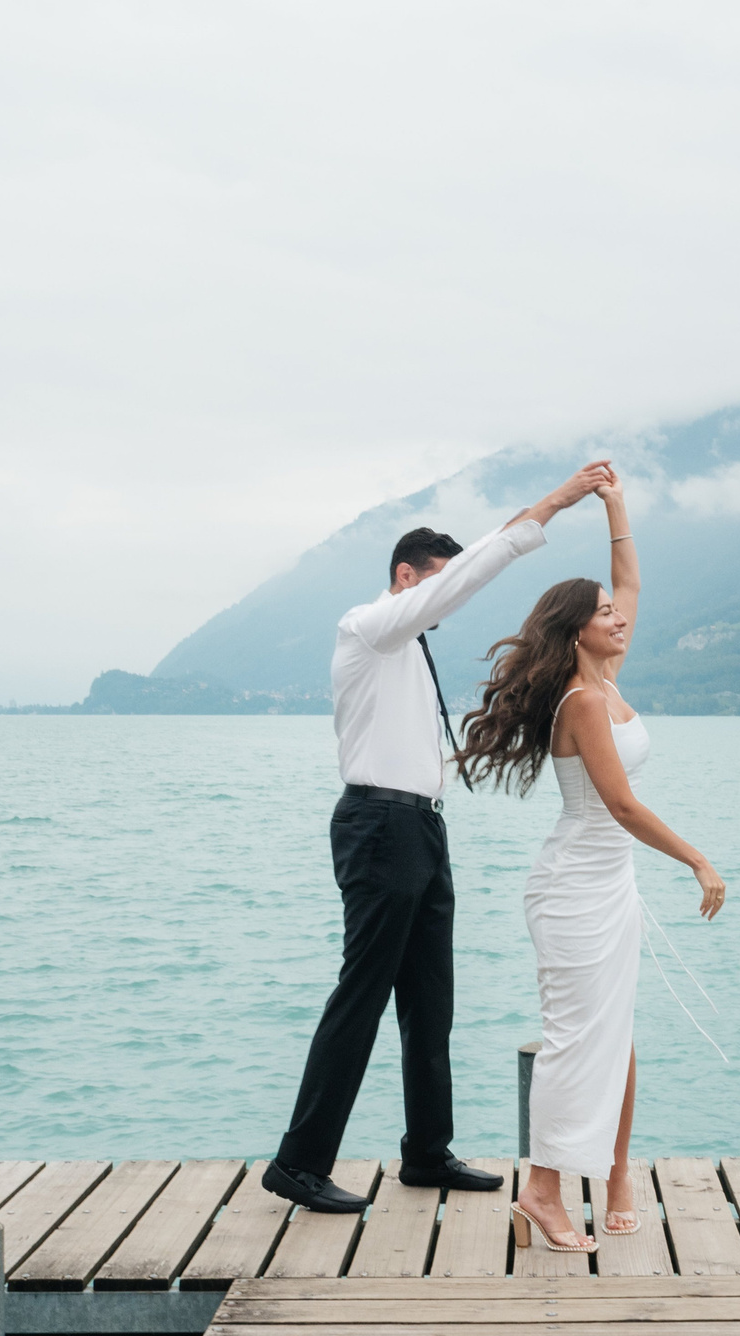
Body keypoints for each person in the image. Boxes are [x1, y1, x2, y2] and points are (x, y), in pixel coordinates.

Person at [260, 461, 617, 1214]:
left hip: (420, 827)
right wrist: (554, 503)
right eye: (434, 585)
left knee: (431, 1000)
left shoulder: (410, 648)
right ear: (406, 577)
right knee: (362, 994)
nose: (444, 603)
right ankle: (298, 1161)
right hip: (378, 827)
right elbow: (465, 578)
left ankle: (426, 1152)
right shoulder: (367, 628)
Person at [454, 470, 726, 1251]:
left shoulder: (605, 677)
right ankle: (541, 1192)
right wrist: (698, 859)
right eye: (604, 613)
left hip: (610, 884)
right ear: (578, 631)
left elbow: (630, 581)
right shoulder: (580, 701)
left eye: (614, 610)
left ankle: (611, 1174)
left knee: (614, 1032)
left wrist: (613, 503)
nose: (620, 616)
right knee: (576, 1037)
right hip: (574, 886)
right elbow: (622, 806)